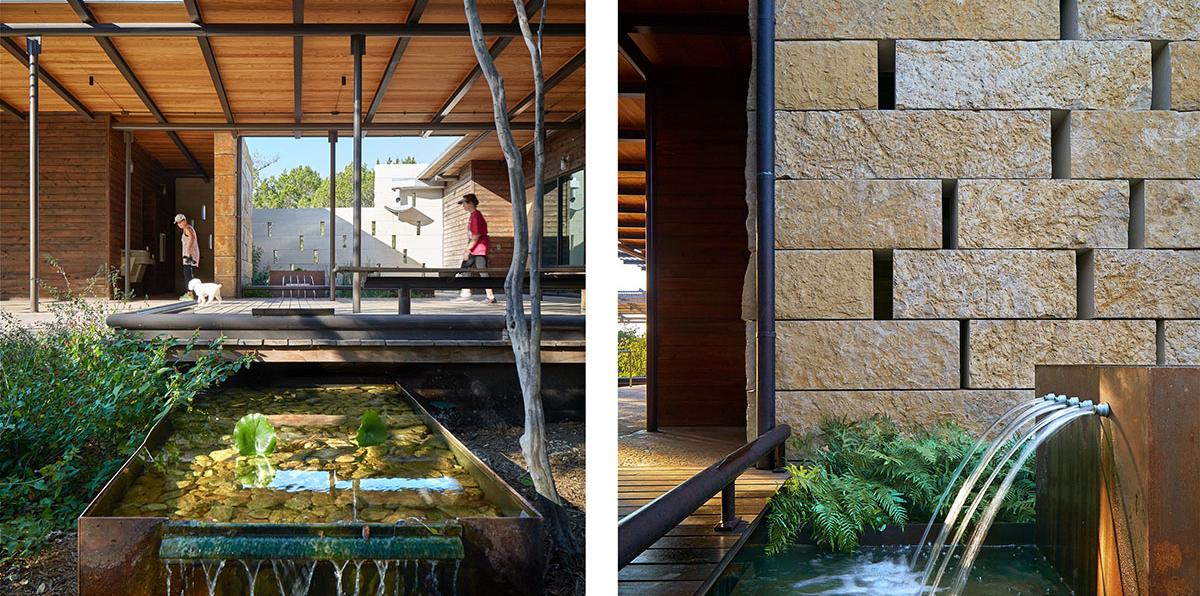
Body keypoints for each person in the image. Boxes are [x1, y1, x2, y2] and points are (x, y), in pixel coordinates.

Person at [456, 193, 496, 303]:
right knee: (468, 269)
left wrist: (468, 250)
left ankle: (468, 294)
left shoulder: (476, 216)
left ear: (471, 203)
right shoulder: (473, 215)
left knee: (477, 270)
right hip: (477, 246)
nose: (463, 205)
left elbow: (476, 235)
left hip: (478, 247)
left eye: (464, 203)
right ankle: (468, 293)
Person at [175, 213, 200, 299]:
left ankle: (190, 294)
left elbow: (192, 238)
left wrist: (188, 250)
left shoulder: (187, 228)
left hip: (189, 256)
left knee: (188, 275)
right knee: (189, 274)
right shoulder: (187, 228)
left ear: (184, 220)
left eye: (180, 222)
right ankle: (192, 293)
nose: (179, 224)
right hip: (189, 255)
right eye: (178, 223)